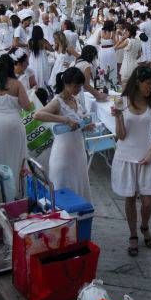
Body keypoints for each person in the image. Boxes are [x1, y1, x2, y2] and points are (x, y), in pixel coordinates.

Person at [112, 66, 151, 256]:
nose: (150, 87)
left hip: (146, 156)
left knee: (148, 201)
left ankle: (145, 225)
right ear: (137, 82)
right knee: (130, 198)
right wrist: (118, 118)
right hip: (126, 156)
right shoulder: (122, 101)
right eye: (148, 84)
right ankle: (133, 234)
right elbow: (121, 136)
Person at [34, 67, 95, 200]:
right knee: (63, 186)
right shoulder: (57, 102)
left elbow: (78, 123)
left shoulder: (75, 100)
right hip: (63, 153)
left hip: (78, 151)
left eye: (80, 86)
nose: (78, 89)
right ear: (66, 84)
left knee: (79, 183)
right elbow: (38, 115)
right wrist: (64, 119)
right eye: (75, 86)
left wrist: (85, 126)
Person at [0, 55, 31, 174]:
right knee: (15, 157)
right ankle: (15, 188)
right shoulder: (17, 84)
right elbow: (27, 106)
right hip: (13, 124)